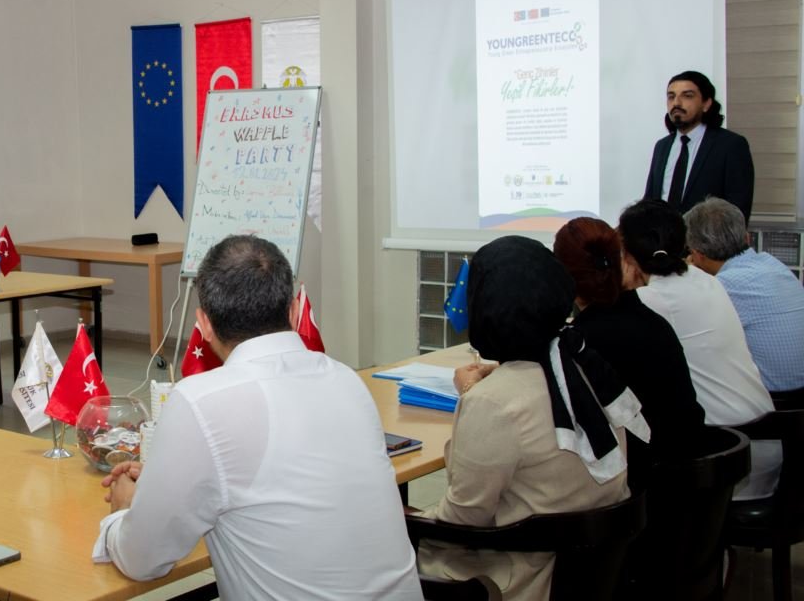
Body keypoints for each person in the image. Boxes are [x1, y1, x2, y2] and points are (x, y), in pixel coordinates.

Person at [94, 235, 422, 600]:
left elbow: (144, 559)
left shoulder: (201, 400)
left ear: (202, 325)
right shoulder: (346, 378)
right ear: (295, 311)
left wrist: (122, 512)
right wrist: (168, 482)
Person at [416, 236, 647, 601]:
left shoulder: (494, 402)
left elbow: (463, 517)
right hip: (591, 572)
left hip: (524, 577)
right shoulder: (584, 366)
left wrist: (403, 520)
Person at [618, 199, 778, 500]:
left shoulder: (651, 301)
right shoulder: (710, 282)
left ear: (627, 254)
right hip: (764, 443)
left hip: (721, 460)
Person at [553, 217, 706, 486]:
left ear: (564, 277)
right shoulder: (656, 324)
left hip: (637, 496)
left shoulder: (580, 344)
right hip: (688, 488)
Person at [685, 197, 804, 392]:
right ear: (747, 238)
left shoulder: (722, 286)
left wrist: (689, 276)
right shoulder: (773, 263)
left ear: (697, 255)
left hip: (771, 403)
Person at [643, 70, 754, 221]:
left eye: (687, 96)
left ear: (706, 103)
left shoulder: (730, 145)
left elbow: (737, 209)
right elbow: (650, 201)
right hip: (661, 242)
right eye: (671, 96)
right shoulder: (662, 146)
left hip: (708, 242)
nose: (676, 103)